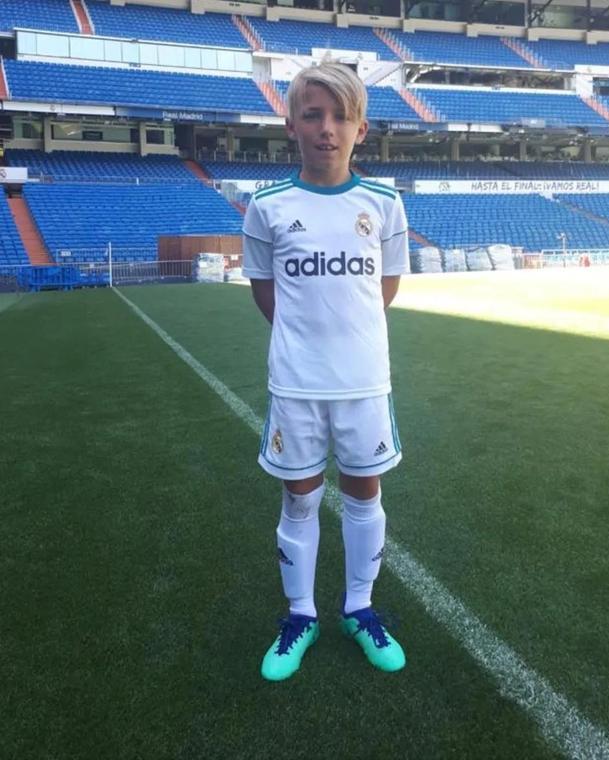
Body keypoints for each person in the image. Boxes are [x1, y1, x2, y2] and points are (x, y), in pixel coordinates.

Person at [242, 62, 409, 682]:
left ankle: (360, 608)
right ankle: (300, 615)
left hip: (364, 383)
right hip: (297, 385)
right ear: (291, 125)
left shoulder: (384, 204)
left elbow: (383, 289)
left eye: (341, 116)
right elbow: (267, 295)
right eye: (313, 115)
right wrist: (306, 343)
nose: (327, 128)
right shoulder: (267, 207)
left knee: (365, 494)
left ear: (361, 129)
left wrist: (347, 340)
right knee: (299, 498)